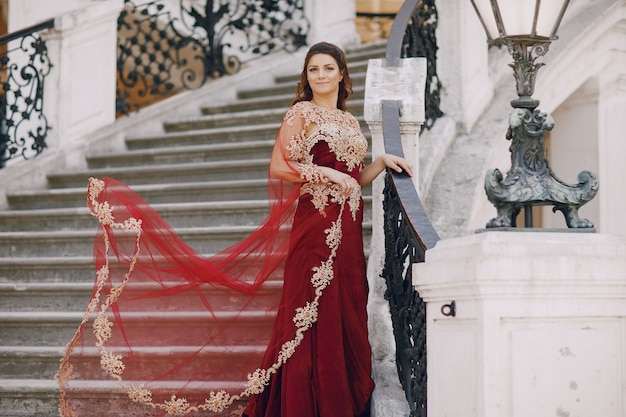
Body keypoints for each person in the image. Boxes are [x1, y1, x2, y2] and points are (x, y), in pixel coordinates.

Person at [57, 41, 412, 417]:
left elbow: (353, 180)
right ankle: (307, 405)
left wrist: (381, 162)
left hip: (349, 234)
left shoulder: (350, 121)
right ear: (306, 77)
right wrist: (323, 172)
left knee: (345, 309)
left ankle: (340, 397)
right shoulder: (300, 114)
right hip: (315, 230)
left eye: (328, 68)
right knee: (312, 315)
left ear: (342, 73)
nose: (321, 75)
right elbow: (279, 167)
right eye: (313, 69)